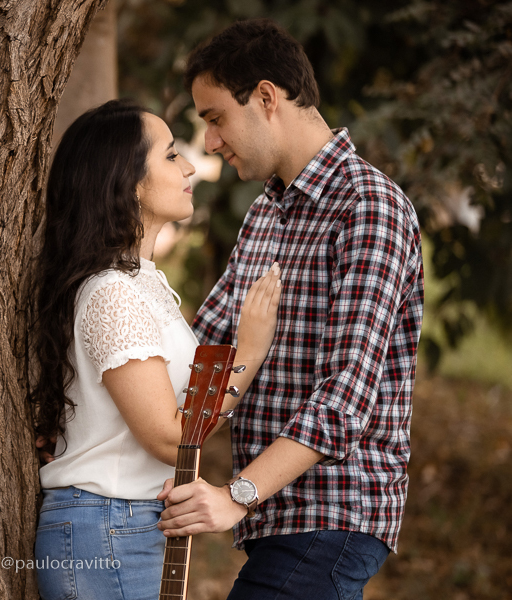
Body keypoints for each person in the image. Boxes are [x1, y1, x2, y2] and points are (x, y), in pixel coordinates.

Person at [156, 18, 425, 600]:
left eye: (215, 118)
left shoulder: (369, 207)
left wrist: (235, 496)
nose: (210, 143)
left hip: (333, 515)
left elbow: (345, 399)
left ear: (267, 97)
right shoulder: (265, 217)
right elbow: (199, 349)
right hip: (280, 522)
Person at [30, 99, 281, 600]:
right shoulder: (111, 292)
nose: (189, 165)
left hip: (126, 522)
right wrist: (248, 353)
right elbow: (171, 438)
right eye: (170, 156)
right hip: (107, 526)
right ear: (129, 183)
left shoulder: (140, 283)